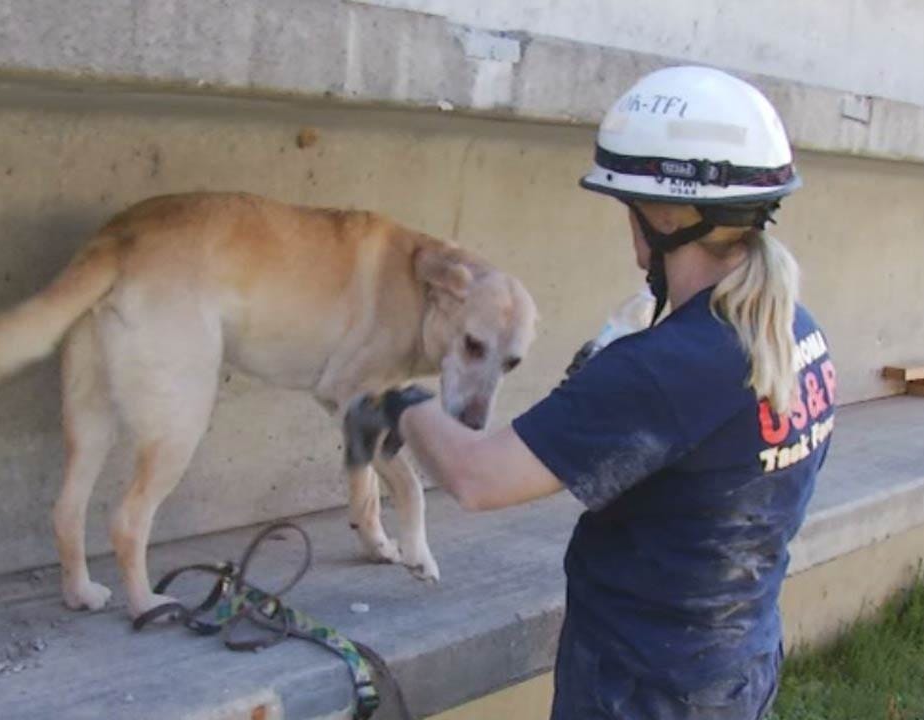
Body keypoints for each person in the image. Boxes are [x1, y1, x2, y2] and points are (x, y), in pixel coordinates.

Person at [344, 65, 837, 720]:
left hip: (642, 688)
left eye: (628, 209)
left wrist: (397, 400)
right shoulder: (792, 330)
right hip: (734, 664)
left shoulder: (663, 369)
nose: (629, 231)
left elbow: (477, 477)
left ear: (664, 216)